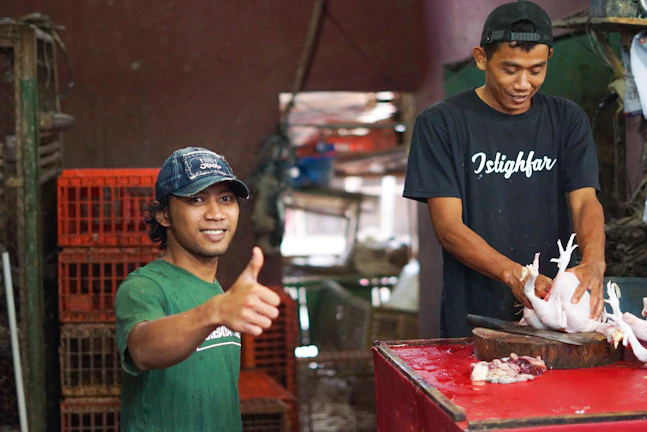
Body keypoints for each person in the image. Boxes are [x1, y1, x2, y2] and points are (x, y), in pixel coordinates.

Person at [403, 0, 606, 337]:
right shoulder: (441, 123)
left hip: (553, 316)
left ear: (548, 60)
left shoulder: (567, 120)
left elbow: (585, 201)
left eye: (536, 69)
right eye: (510, 69)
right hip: (475, 317)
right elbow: (448, 228)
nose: (523, 84)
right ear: (482, 58)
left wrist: (594, 261)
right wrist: (515, 275)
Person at [115, 147, 281, 431]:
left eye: (226, 199)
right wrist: (215, 312)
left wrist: (218, 307)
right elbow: (142, 349)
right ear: (164, 216)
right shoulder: (144, 286)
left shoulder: (217, 293)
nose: (215, 214)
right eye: (196, 200)